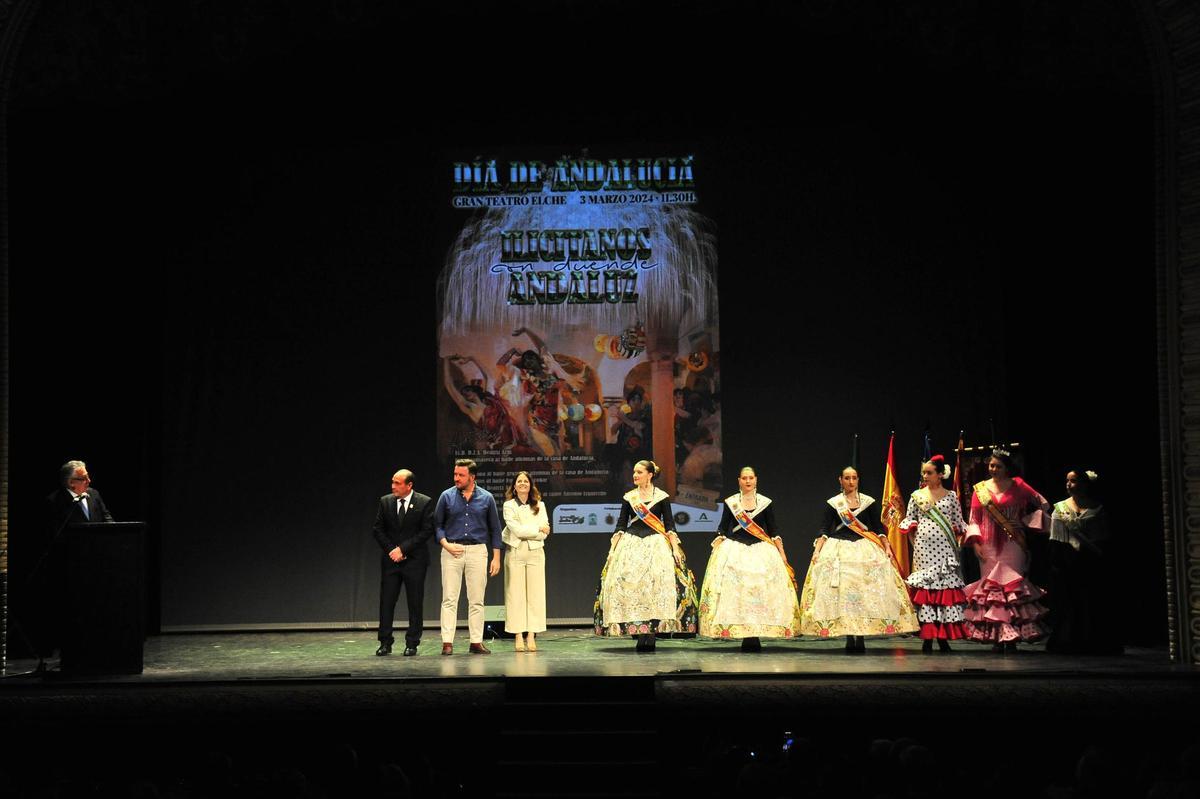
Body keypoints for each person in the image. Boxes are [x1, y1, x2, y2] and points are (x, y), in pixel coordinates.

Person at [799, 466, 919, 652]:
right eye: (847, 478)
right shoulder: (834, 503)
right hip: (839, 551)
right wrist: (817, 551)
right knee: (844, 595)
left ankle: (861, 636)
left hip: (864, 549)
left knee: (863, 595)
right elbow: (824, 529)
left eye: (854, 478)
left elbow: (878, 528)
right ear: (840, 480)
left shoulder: (868, 502)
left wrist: (887, 546)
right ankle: (849, 636)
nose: (851, 481)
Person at [593, 460, 698, 651]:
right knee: (632, 587)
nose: (635, 475)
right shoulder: (629, 497)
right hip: (631, 544)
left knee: (656, 587)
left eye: (639, 472)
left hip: (656, 544)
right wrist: (612, 550)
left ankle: (652, 631)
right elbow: (621, 525)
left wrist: (675, 549)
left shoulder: (662, 497)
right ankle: (640, 630)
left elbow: (669, 526)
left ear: (650, 475)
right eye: (634, 472)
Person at [698, 466, 800, 652]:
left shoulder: (765, 503)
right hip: (736, 550)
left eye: (751, 478)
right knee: (738, 593)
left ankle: (756, 633)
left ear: (756, 480)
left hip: (761, 551)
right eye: (744, 478)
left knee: (760, 592)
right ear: (739, 481)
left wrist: (782, 554)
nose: (747, 481)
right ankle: (743, 633)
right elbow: (723, 527)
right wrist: (718, 542)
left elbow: (773, 530)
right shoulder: (731, 503)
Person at [962, 448, 1052, 652]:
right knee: (992, 591)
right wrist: (975, 543)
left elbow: (1042, 503)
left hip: (1014, 544)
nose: (993, 469)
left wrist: (1028, 521)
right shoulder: (981, 489)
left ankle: (1011, 637)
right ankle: (996, 636)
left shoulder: (1019, 486)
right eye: (991, 465)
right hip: (988, 545)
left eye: (998, 466)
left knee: (1013, 589)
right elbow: (974, 518)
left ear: (1008, 468)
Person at [897, 455, 968, 653]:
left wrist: (957, 545)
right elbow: (910, 521)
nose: (925, 476)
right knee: (927, 592)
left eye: (929, 473)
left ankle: (943, 638)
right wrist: (915, 543)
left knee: (944, 592)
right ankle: (927, 639)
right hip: (924, 550)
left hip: (945, 550)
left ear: (940, 475)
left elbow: (958, 522)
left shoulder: (951, 496)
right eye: (923, 473)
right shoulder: (916, 496)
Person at [1046, 468, 1120, 654]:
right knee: (1068, 603)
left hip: (1089, 562)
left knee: (1090, 602)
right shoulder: (1060, 509)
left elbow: (1102, 539)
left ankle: (1092, 640)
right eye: (1067, 481)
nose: (1069, 485)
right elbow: (1056, 540)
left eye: (1074, 481)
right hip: (1066, 561)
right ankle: (1067, 641)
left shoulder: (1096, 509)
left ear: (1085, 484)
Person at [434, 458, 502, 655]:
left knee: (476, 600)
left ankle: (476, 641)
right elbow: (437, 525)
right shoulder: (446, 496)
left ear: (472, 477)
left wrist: (496, 557)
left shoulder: (486, 498)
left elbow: (495, 530)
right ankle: (447, 642)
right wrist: (446, 545)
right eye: (455, 474)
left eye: (460, 475)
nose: (456, 478)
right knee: (449, 598)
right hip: (451, 550)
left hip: (477, 551)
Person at [371, 469, 434, 656]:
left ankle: (412, 642)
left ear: (409, 485)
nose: (393, 486)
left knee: (415, 602)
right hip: (391, 561)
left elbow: (426, 531)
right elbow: (378, 529)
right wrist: (392, 550)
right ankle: (385, 642)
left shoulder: (424, 502)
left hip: (414, 561)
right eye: (392, 482)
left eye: (397, 483)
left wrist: (403, 549)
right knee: (387, 602)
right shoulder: (385, 502)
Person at [502, 471, 550, 652]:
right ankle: (517, 635)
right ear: (514, 486)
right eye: (519, 481)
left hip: (536, 552)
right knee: (515, 595)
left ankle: (531, 634)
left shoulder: (540, 505)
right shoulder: (508, 505)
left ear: (530, 485)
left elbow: (546, 531)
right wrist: (538, 528)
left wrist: (538, 530)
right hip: (515, 551)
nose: (522, 483)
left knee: (536, 594)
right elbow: (517, 531)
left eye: (525, 481)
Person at [47, 460, 114, 528]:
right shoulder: (54, 501)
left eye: (88, 476)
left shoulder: (94, 494)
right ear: (71, 483)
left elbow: (107, 518)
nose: (89, 481)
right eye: (84, 478)